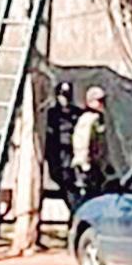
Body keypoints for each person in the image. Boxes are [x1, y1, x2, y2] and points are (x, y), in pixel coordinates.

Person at [45, 81, 82, 211]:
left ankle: (76, 209)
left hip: (75, 154)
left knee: (72, 183)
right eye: (61, 95)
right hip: (57, 155)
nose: (64, 98)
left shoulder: (77, 113)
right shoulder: (52, 114)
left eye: (67, 95)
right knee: (62, 181)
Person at [71, 85, 108, 207]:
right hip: (86, 165)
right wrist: (85, 163)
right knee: (87, 196)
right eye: (99, 101)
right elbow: (82, 141)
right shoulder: (89, 119)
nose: (102, 104)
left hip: (95, 164)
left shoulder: (98, 118)